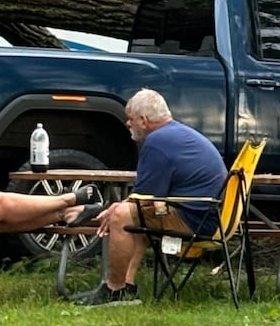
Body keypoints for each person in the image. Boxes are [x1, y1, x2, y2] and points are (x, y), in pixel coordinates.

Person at [72, 88, 227, 307]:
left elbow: (142, 198)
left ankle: (113, 289)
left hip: (197, 220)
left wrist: (115, 210)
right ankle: (126, 285)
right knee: (132, 214)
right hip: (210, 217)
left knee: (122, 215)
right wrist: (121, 206)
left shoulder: (158, 141)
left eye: (131, 119)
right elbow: (145, 200)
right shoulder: (177, 134)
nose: (128, 124)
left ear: (143, 120)